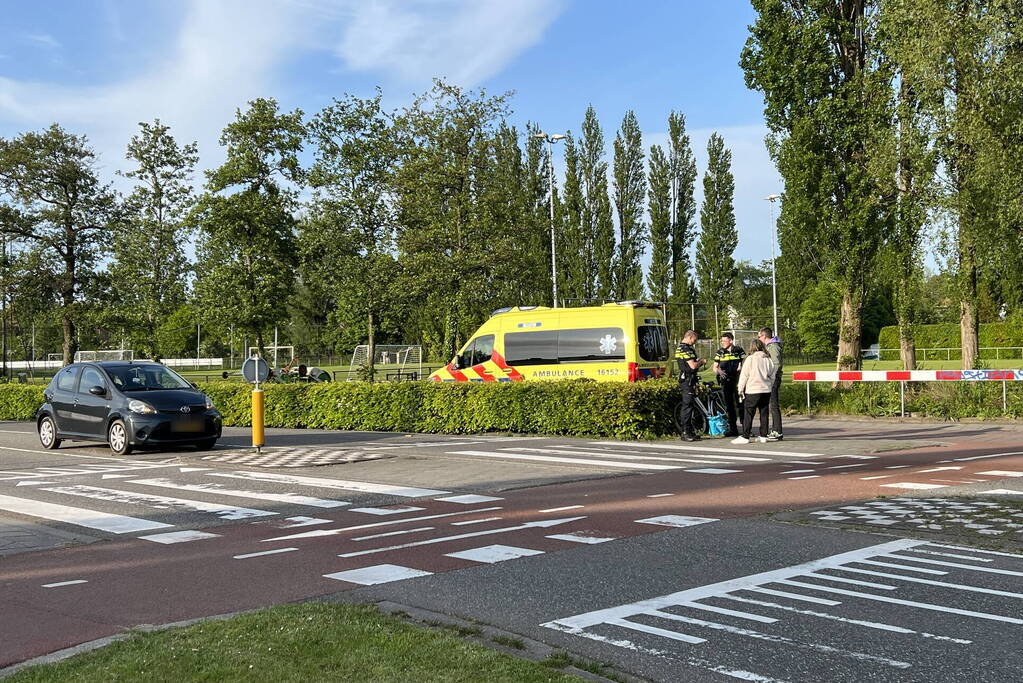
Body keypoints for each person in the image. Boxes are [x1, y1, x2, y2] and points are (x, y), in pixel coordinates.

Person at [734, 338, 776, 444]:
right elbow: (772, 375)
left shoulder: (750, 359)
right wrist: (769, 385)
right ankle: (763, 435)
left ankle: (745, 436)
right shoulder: (768, 359)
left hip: (753, 389)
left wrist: (740, 389)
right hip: (766, 389)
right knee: (764, 413)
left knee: (749, 413)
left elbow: (744, 375)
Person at [675, 329, 707, 441]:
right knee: (687, 406)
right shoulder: (685, 349)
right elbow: (692, 366)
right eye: (694, 339)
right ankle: (685, 432)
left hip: (689, 379)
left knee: (690, 406)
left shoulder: (683, 348)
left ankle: (690, 431)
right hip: (687, 380)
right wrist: (701, 362)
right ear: (689, 337)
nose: (695, 342)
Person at [712, 332, 746, 437]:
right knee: (729, 405)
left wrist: (741, 367)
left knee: (741, 404)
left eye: (724, 341)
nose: (722, 343)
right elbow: (715, 367)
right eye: (721, 341)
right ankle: (733, 429)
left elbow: (745, 362)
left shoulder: (739, 350)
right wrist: (719, 371)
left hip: (738, 380)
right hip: (726, 381)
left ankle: (746, 429)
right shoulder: (720, 352)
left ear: (731, 341)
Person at [758, 327, 784, 441]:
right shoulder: (769, 346)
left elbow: (776, 364)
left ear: (764, 336)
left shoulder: (773, 347)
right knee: (771, 404)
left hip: (773, 379)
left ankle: (777, 431)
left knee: (773, 405)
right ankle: (775, 430)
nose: (759, 339)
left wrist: (772, 377)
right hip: (771, 378)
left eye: (759, 336)